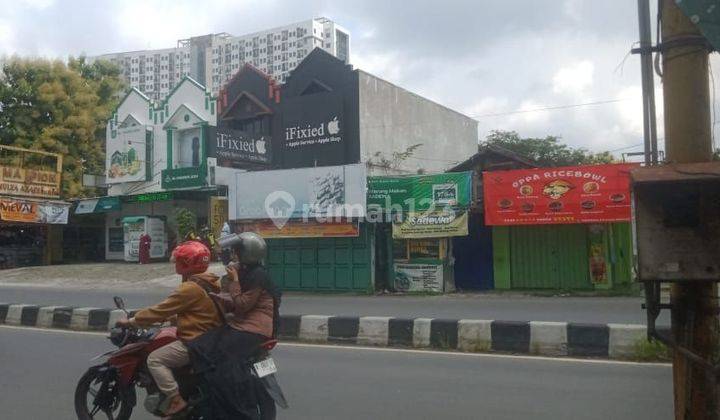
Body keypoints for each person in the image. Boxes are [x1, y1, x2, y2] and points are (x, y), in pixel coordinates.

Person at [116, 241, 222, 418]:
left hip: (195, 341)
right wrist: (171, 318)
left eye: (179, 260)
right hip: (208, 339)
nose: (175, 263)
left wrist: (131, 322)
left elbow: (159, 310)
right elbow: (194, 311)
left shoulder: (189, 288)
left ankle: (175, 399)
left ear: (187, 263)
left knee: (154, 360)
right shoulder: (208, 281)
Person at [187, 232, 281, 419]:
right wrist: (218, 294)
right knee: (202, 345)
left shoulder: (257, 276)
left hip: (252, 329)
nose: (233, 255)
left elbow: (242, 304)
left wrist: (235, 281)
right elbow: (234, 301)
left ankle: (232, 409)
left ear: (248, 253)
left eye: (237, 251)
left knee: (216, 360)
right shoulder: (247, 270)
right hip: (242, 324)